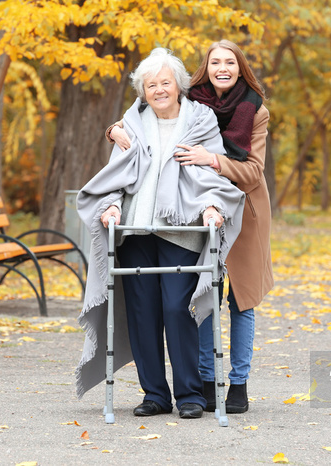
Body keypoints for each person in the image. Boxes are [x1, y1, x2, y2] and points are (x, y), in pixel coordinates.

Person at [75, 48, 245, 420]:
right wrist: (113, 205)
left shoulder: (201, 119)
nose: (159, 90)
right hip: (135, 230)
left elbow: (209, 174)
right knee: (142, 312)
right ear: (142, 90)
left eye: (165, 82)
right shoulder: (130, 123)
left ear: (179, 85)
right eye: (151, 85)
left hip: (180, 229)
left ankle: (190, 395)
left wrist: (211, 206)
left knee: (176, 308)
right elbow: (116, 174)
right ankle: (154, 393)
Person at [107, 40, 274, 414]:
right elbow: (117, 160)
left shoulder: (234, 113)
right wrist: (111, 201)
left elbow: (244, 172)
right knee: (155, 309)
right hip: (147, 225)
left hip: (229, 213)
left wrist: (212, 180)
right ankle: (169, 391)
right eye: (215, 61)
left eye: (230, 61)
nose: (160, 89)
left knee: (223, 302)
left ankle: (228, 386)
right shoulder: (163, 109)